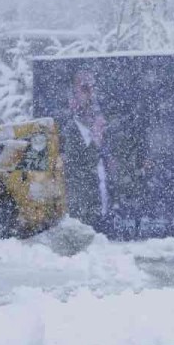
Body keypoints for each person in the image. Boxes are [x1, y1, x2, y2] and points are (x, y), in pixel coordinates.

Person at [60, 69, 114, 230]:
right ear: (72, 95)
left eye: (93, 87)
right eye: (85, 88)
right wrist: (95, 142)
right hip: (84, 219)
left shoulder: (107, 128)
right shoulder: (66, 131)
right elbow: (76, 168)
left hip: (106, 221)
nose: (91, 94)